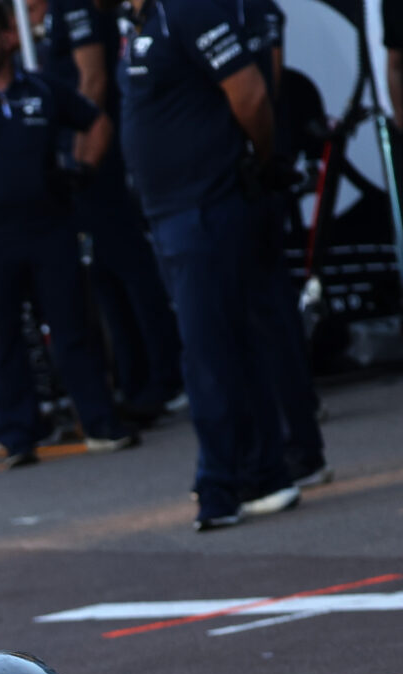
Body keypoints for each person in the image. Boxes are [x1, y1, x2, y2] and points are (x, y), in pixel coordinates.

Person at [0, 0, 139, 466]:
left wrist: (82, 169)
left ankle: (100, 422)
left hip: (50, 228)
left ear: (7, 38)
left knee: (72, 331)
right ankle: (19, 436)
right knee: (1, 340)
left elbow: (98, 121)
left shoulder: (44, 89)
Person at [121, 0, 294, 528]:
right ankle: (266, 473)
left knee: (207, 353)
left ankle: (219, 485)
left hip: (204, 207)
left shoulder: (187, 10)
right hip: (175, 212)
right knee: (229, 344)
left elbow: (251, 93)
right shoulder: (145, 22)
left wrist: (260, 162)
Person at [44, 0, 185, 420]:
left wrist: (81, 157)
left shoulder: (76, 6)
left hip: (97, 158)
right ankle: (134, 378)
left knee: (129, 266)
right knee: (104, 273)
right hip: (87, 157)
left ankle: (164, 375)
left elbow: (93, 77)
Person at [226, 0, 331, 487]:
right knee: (259, 316)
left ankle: (298, 441)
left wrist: (264, 157)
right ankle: (288, 438)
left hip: (247, 182)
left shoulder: (243, 10)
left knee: (268, 315)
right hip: (229, 183)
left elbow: (259, 88)